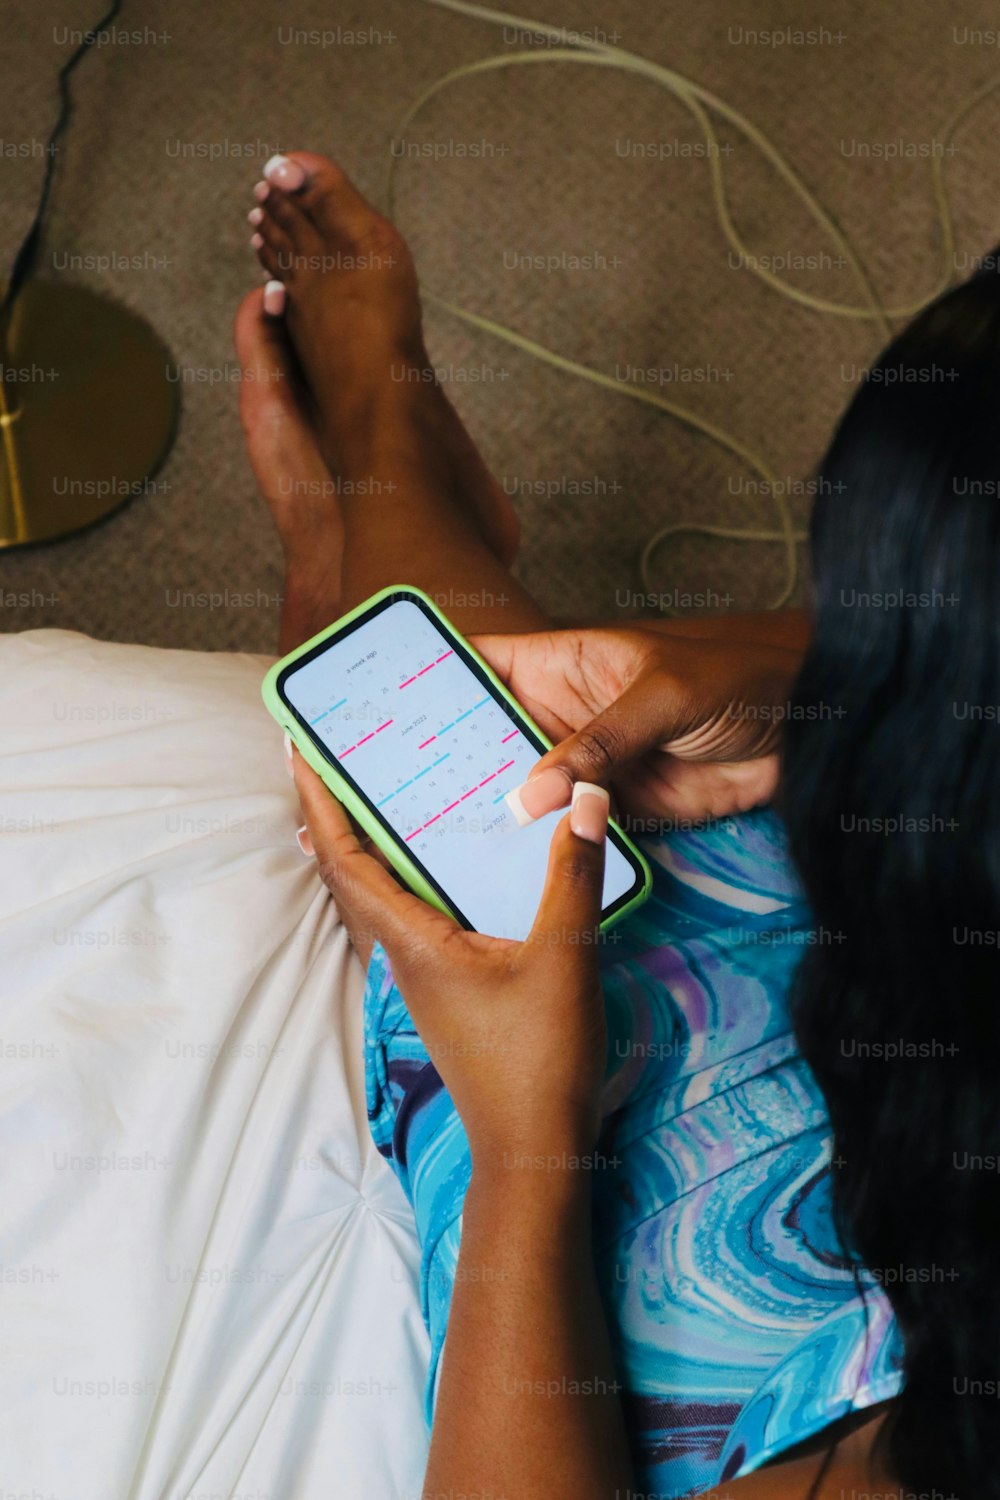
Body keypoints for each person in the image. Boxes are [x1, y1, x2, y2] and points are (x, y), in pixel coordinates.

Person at [240, 151, 997, 1498]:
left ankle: (372, 473)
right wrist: (791, 694)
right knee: (539, 742)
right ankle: (382, 512)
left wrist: (531, 1133)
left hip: (842, 1366)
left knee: (535, 921)